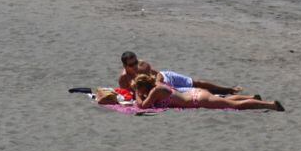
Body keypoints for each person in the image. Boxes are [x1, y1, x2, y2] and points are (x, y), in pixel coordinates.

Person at [131, 73, 283, 111]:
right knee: (225, 99)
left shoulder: (155, 91)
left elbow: (143, 106)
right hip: (196, 94)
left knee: (233, 105)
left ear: (143, 87)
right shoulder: (157, 84)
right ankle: (253, 97)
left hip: (198, 100)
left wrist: (138, 94)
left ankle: (270, 104)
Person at [118, 51, 242, 97]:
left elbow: (157, 73)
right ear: (125, 66)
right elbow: (129, 94)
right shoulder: (124, 78)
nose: (135, 66)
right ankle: (222, 94)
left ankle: (227, 89)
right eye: (131, 65)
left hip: (166, 77)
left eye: (135, 62)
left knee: (195, 82)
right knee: (195, 89)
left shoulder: (143, 65)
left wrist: (159, 80)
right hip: (163, 88)